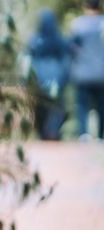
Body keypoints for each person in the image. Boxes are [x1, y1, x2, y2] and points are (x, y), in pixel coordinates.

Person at [26, 9, 71, 140]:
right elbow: (65, 59)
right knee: (57, 105)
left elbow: (28, 58)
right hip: (56, 78)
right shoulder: (59, 39)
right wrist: (63, 76)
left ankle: (42, 132)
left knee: (39, 105)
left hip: (38, 78)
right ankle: (52, 130)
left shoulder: (34, 40)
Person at [70, 0, 104, 140]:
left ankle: (84, 134)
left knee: (82, 105)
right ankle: (101, 135)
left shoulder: (78, 24)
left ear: (85, 7)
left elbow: (72, 47)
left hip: (83, 73)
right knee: (102, 106)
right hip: (102, 73)